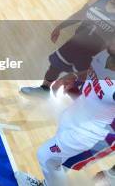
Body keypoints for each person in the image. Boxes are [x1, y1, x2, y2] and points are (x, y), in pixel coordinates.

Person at [15, 36, 115, 186]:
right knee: (59, 160)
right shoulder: (105, 54)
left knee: (46, 156)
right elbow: (93, 70)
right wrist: (74, 76)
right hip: (75, 114)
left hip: (93, 133)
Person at [21, 0, 115, 97]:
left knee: (78, 80)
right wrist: (61, 26)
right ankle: (44, 89)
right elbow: (80, 14)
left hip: (93, 53)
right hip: (75, 43)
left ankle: (74, 105)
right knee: (55, 66)